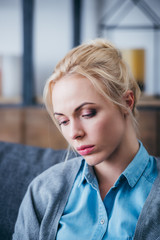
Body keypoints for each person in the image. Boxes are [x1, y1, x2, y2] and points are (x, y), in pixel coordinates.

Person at [13, 39, 160, 240]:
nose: (74, 133)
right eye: (63, 121)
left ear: (126, 103)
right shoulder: (43, 191)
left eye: (88, 113)